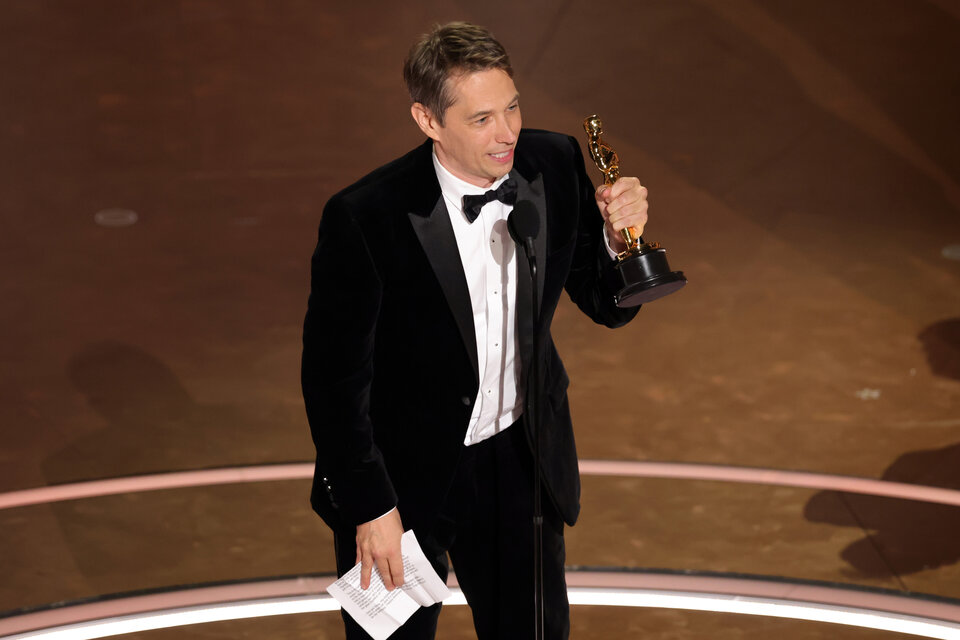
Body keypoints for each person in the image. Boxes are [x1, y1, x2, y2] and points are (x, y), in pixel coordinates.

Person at [302, 21, 649, 639]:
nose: (507, 133)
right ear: (428, 120)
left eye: (512, 107)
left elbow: (607, 303)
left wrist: (620, 243)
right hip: (403, 479)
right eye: (482, 119)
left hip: (520, 462)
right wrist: (371, 506)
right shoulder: (366, 217)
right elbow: (333, 381)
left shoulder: (554, 163)